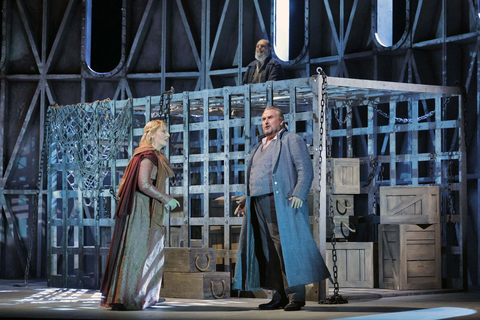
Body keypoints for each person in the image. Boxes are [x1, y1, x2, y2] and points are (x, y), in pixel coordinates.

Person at [232, 107, 330, 311]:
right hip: (258, 203)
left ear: (282, 122)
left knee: (284, 247)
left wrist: (299, 193)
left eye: (270, 118)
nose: (266, 122)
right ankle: (279, 295)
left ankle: (296, 295)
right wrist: (246, 199)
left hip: (280, 202)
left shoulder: (291, 140)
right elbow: (256, 176)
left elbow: (305, 169)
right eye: (263, 119)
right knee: (267, 249)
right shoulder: (258, 146)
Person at [100, 120, 180, 310]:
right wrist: (166, 198)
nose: (168, 135)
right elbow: (143, 184)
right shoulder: (148, 156)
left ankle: (143, 294)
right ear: (152, 134)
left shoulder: (152, 155)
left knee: (147, 250)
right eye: (164, 131)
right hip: (142, 208)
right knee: (139, 251)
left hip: (146, 206)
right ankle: (127, 296)